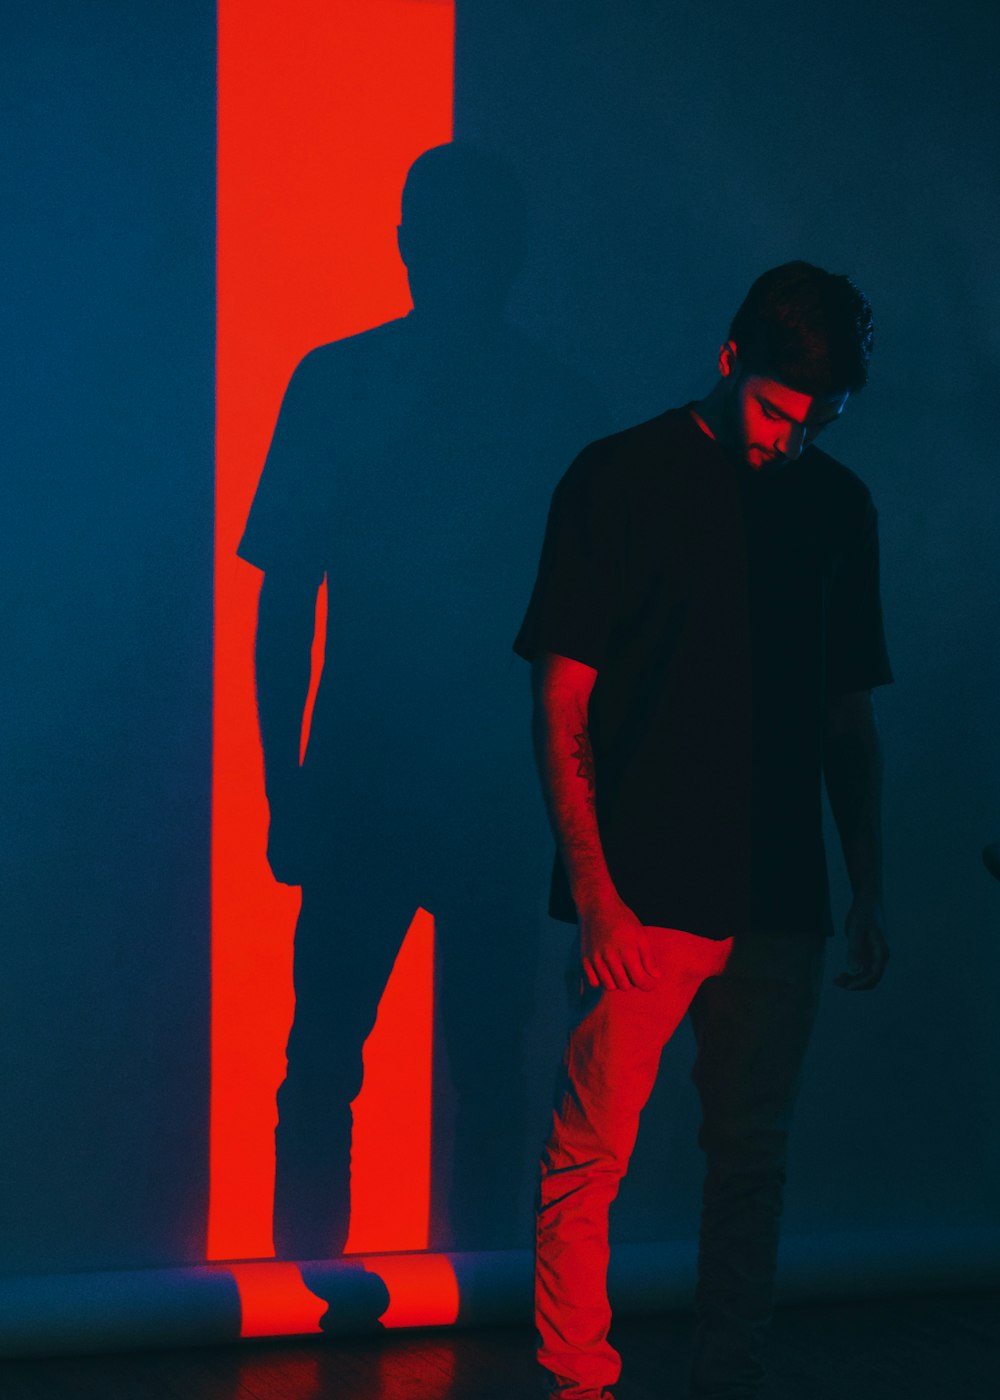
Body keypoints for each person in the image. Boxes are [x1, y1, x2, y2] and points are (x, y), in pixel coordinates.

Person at [514, 262, 893, 1400]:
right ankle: (580, 1383)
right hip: (645, 890)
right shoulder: (618, 478)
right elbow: (558, 693)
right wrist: (596, 894)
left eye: (814, 421)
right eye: (777, 410)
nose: (789, 439)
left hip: (780, 896)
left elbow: (845, 715)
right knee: (590, 1159)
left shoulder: (837, 502)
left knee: (751, 1159)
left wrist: (866, 883)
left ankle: (731, 1372)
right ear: (730, 360)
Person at [237, 142, 605, 1260]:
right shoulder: (554, 402)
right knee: (482, 1066)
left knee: (328, 1063)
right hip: (486, 784)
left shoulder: (340, 381)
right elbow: (588, 640)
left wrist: (285, 786)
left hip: (368, 774)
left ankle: (312, 1295)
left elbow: (286, 602)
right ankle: (485, 1302)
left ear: (410, 243)